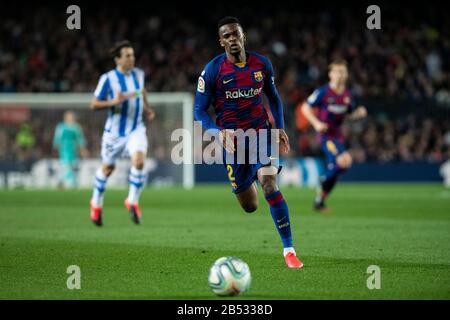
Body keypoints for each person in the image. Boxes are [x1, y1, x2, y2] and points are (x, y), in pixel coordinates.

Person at [194, 16, 303, 268]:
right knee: (251, 206)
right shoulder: (212, 70)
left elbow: (274, 98)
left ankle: (289, 250)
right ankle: (250, 176)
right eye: (227, 36)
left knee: (269, 184)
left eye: (236, 34)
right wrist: (217, 131)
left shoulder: (262, 64)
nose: (233, 39)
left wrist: (280, 127)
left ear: (243, 36)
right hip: (232, 142)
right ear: (221, 41)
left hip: (260, 134)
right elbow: (199, 111)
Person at [89, 40, 155, 227]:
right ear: (117, 60)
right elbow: (93, 104)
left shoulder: (139, 74)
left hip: (136, 128)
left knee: (139, 161)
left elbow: (142, 91)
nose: (131, 58)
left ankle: (132, 201)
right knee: (108, 169)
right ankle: (96, 203)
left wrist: (147, 109)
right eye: (127, 56)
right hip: (114, 134)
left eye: (132, 55)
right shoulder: (108, 79)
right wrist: (112, 102)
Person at [301, 60, 367, 212]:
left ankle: (319, 200)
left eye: (343, 72)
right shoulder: (323, 92)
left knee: (337, 169)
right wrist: (317, 123)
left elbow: (350, 115)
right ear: (330, 74)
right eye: (337, 71)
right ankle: (323, 180)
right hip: (326, 136)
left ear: (347, 75)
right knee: (344, 161)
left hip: (339, 137)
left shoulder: (347, 95)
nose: (340, 75)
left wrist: (359, 113)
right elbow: (305, 107)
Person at [53, 111, 87, 189]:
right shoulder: (61, 127)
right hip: (64, 149)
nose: (71, 118)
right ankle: (71, 183)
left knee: (72, 166)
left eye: (72, 116)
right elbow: (57, 138)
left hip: (74, 150)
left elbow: (80, 139)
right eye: (69, 116)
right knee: (66, 165)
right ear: (65, 117)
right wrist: (56, 148)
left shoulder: (76, 127)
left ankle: (63, 181)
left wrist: (82, 149)